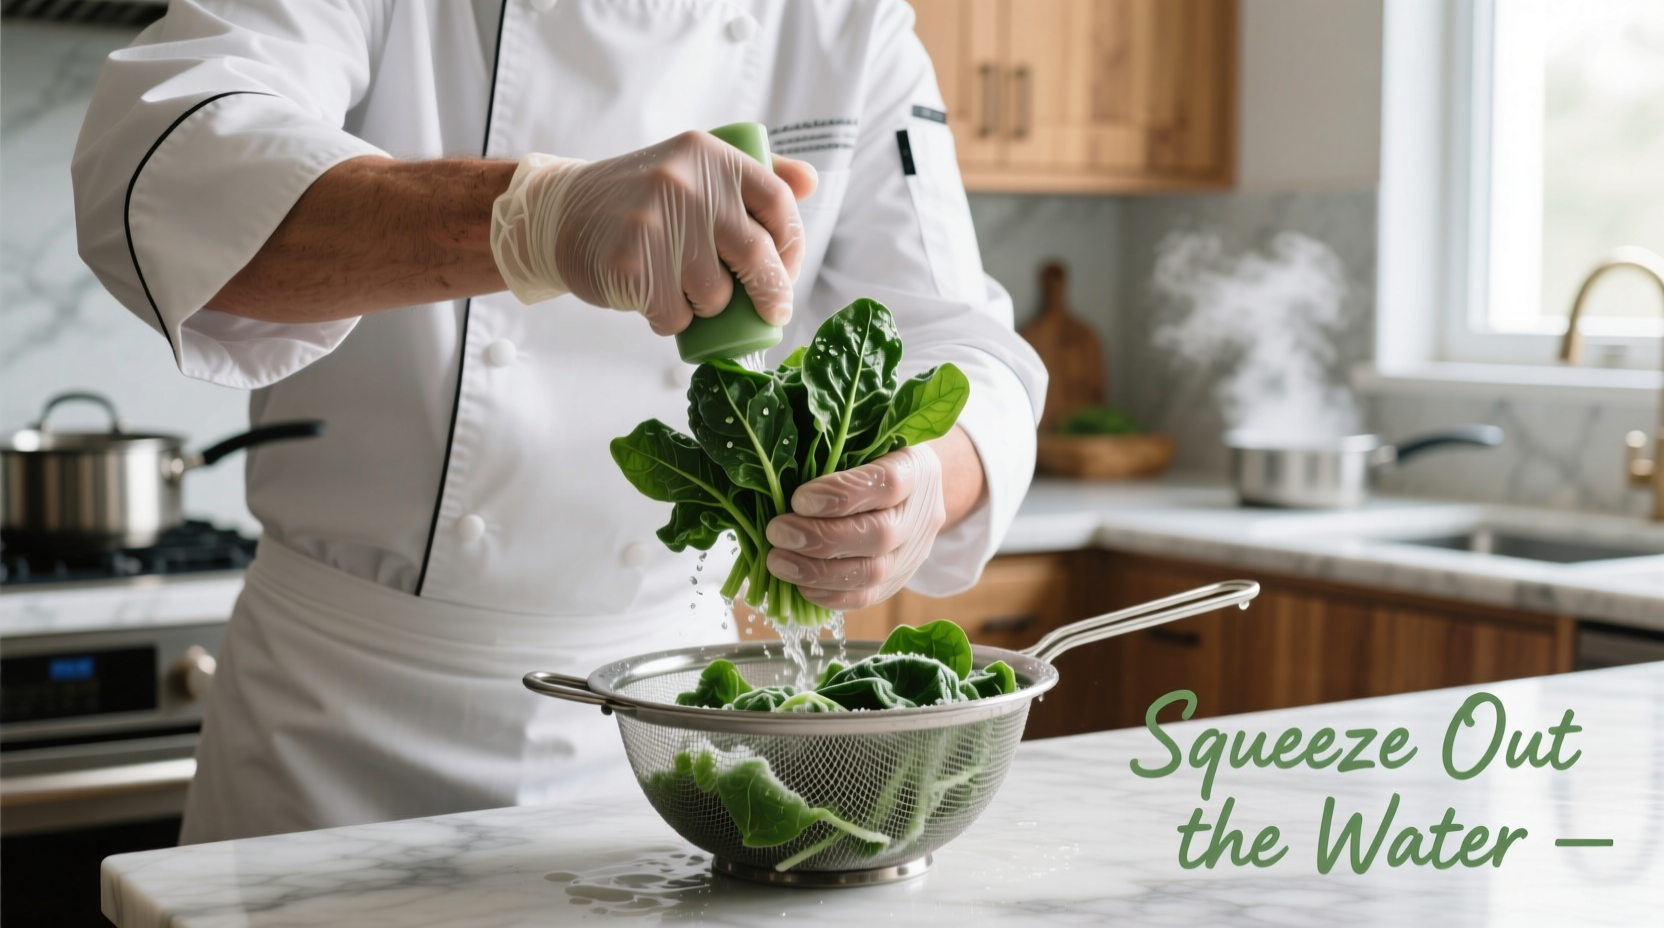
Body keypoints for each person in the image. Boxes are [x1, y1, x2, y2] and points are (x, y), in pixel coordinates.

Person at [74, 0, 1046, 844]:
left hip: (661, 732)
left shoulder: (845, 23)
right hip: (335, 727)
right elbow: (166, 180)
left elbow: (969, 355)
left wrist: (922, 483)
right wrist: (533, 215)